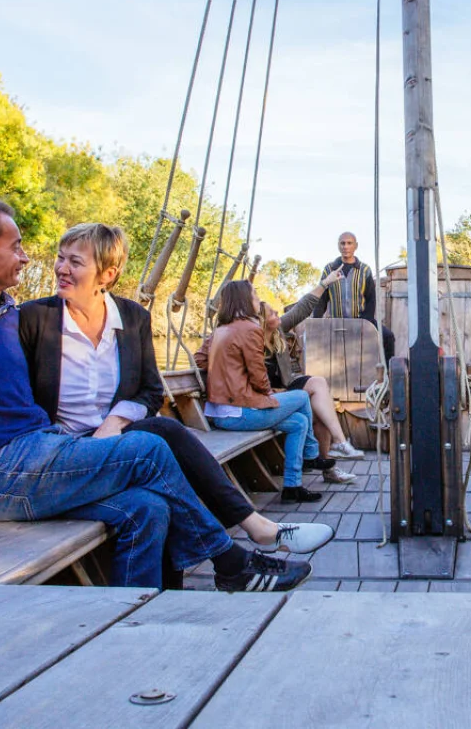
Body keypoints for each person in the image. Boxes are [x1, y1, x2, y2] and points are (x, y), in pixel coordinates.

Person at [0, 197, 313, 593]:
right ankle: (231, 563)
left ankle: (131, 620)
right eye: (16, 247)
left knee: (148, 508)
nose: (26, 257)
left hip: (40, 451)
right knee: (148, 449)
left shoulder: (6, 315)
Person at [18, 222, 333, 556]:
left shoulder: (133, 317)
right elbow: (18, 396)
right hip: (63, 449)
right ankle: (250, 535)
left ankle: (245, 542)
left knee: (156, 492)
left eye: (75, 262)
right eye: (60, 258)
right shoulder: (33, 318)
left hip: (115, 437)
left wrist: (115, 421)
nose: (61, 269)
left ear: (107, 274)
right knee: (299, 397)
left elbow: (151, 390)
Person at [196, 280, 333, 504]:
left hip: (219, 413)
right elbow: (260, 379)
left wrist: (226, 368)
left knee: (298, 422)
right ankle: (311, 454)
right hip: (240, 412)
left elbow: (200, 359)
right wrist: (268, 394)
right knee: (301, 396)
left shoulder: (220, 330)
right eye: (254, 294)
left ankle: (292, 487)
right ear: (244, 299)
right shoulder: (250, 329)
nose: (258, 299)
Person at [259, 294, 364, 485]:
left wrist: (325, 283)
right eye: (272, 313)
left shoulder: (278, 330)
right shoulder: (251, 341)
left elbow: (302, 308)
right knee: (317, 406)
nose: (277, 313)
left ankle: (335, 454)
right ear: (262, 321)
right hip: (269, 396)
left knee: (319, 391)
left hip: (285, 387)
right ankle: (334, 455)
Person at [312, 231, 395, 364]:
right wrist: (315, 322)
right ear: (338, 246)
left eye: (349, 243)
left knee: (388, 337)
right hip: (336, 321)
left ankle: (388, 375)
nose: (345, 246)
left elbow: (371, 299)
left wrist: (365, 323)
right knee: (314, 340)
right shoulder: (329, 269)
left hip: (361, 319)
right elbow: (322, 299)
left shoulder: (365, 270)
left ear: (355, 246)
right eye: (342, 243)